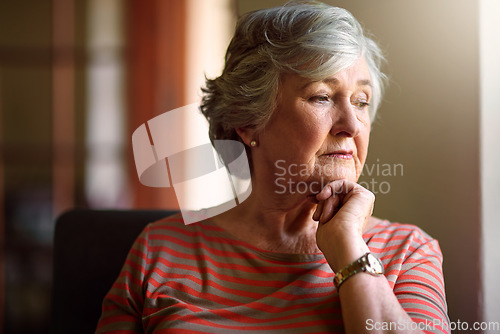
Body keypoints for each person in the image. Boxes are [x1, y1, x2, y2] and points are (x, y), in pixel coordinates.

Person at [96, 2, 450, 333]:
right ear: (248, 121)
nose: (352, 125)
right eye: (322, 96)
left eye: (361, 101)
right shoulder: (159, 251)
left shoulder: (408, 252)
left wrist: (348, 249)